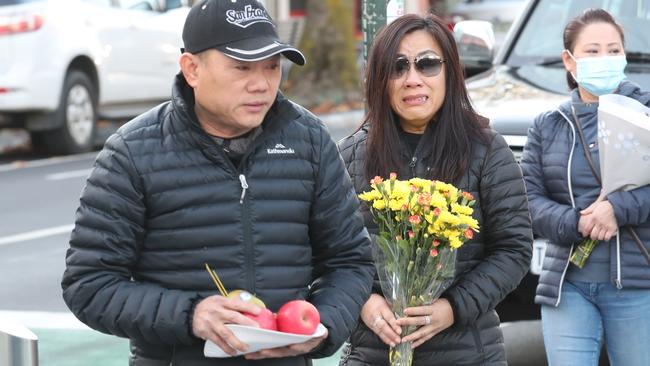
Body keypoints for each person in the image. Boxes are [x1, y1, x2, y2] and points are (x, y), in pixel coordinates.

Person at [60, 0, 375, 365]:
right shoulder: (132, 152)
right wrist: (192, 315)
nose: (261, 84)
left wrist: (322, 328)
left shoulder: (308, 139)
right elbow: (89, 284)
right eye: (241, 67)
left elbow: (350, 261)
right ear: (192, 69)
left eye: (273, 66)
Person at [337, 13, 533, 366]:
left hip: (468, 351)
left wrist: (452, 308)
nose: (412, 79)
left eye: (427, 64)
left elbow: (513, 250)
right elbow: (331, 253)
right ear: (379, 79)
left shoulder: (487, 151)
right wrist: (366, 303)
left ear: (450, 72)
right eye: (397, 67)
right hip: (372, 353)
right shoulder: (350, 155)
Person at [521, 8, 650, 366]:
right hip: (567, 286)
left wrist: (617, 210)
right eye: (592, 51)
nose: (604, 59)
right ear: (570, 61)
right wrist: (576, 221)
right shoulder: (548, 126)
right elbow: (529, 201)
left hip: (638, 285)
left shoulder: (646, 111)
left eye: (613, 50)